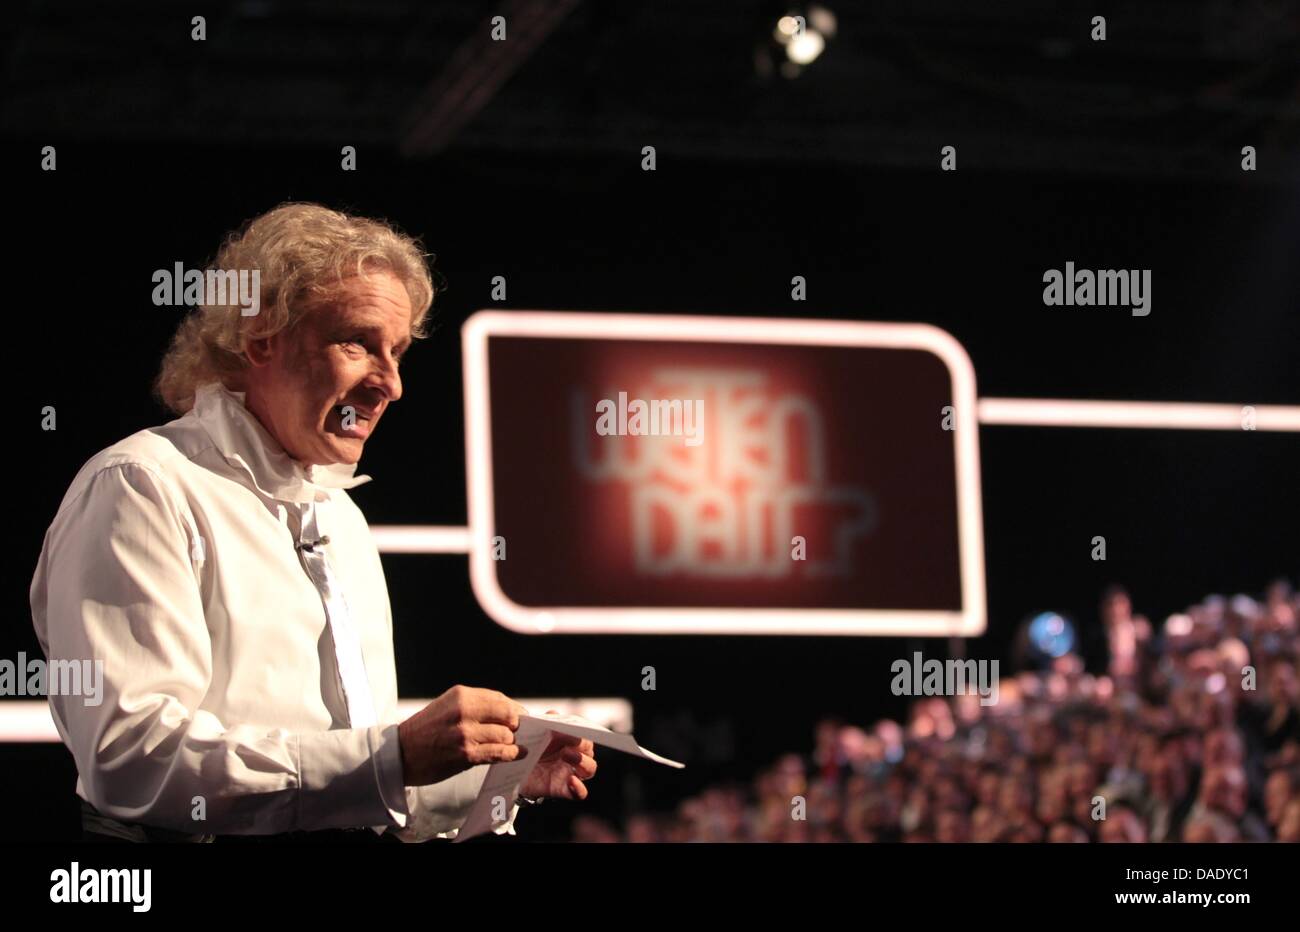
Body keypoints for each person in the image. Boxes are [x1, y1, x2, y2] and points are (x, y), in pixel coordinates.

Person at [30, 203, 596, 842]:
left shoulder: (341, 518)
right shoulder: (142, 485)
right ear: (260, 336)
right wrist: (395, 756)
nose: (391, 384)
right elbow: (131, 761)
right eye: (358, 341)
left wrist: (496, 777)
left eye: (399, 351)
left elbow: (348, 788)